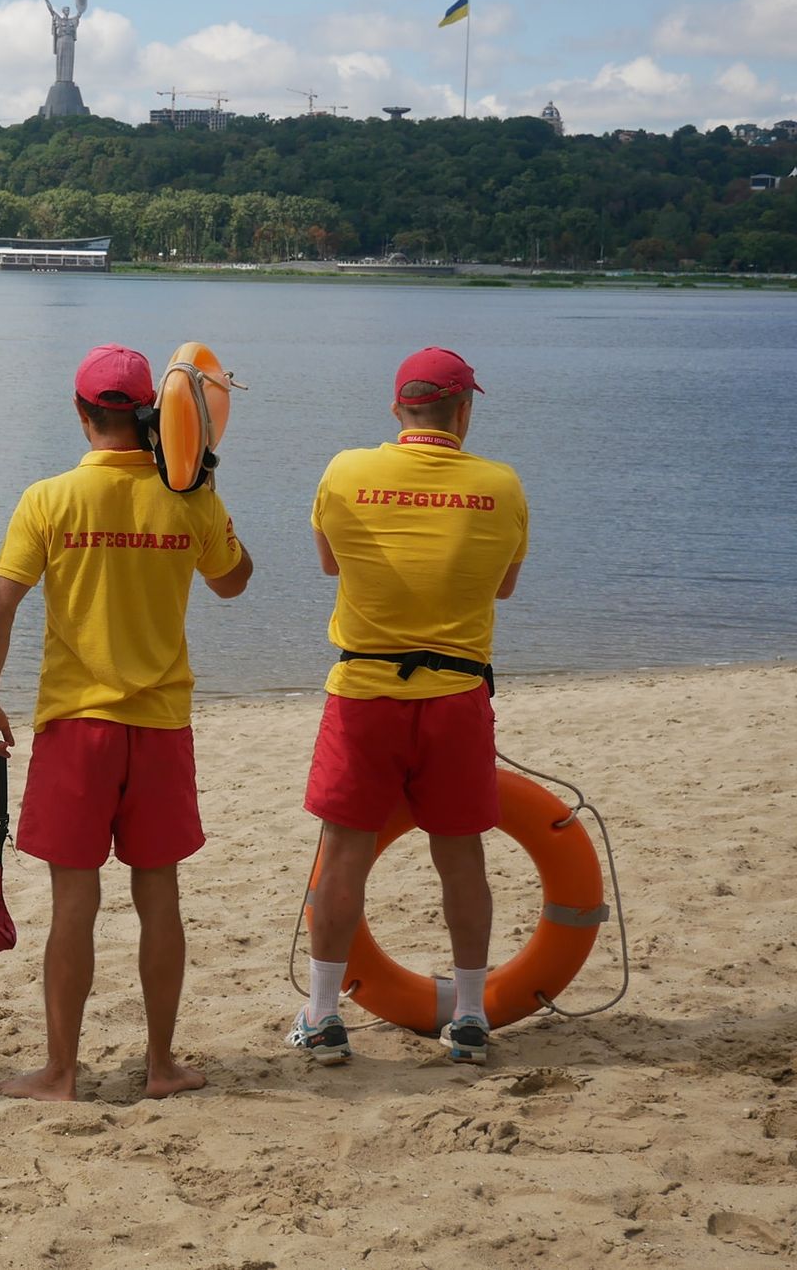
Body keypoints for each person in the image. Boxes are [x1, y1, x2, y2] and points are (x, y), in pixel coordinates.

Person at [0, 344, 252, 1102]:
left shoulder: (48, 499)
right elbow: (235, 582)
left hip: (76, 728)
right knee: (159, 897)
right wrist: (198, 477)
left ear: (79, 411)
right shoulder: (188, 495)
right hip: (160, 725)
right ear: (150, 416)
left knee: (75, 903)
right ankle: (162, 1067)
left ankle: (61, 1073)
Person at [291, 346, 528, 1067]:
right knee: (461, 859)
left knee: (342, 857)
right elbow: (504, 588)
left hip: (364, 694)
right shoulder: (502, 485)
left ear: (398, 409)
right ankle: (471, 1018)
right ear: (464, 411)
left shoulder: (346, 471)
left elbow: (332, 562)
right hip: (457, 696)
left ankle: (326, 1016)